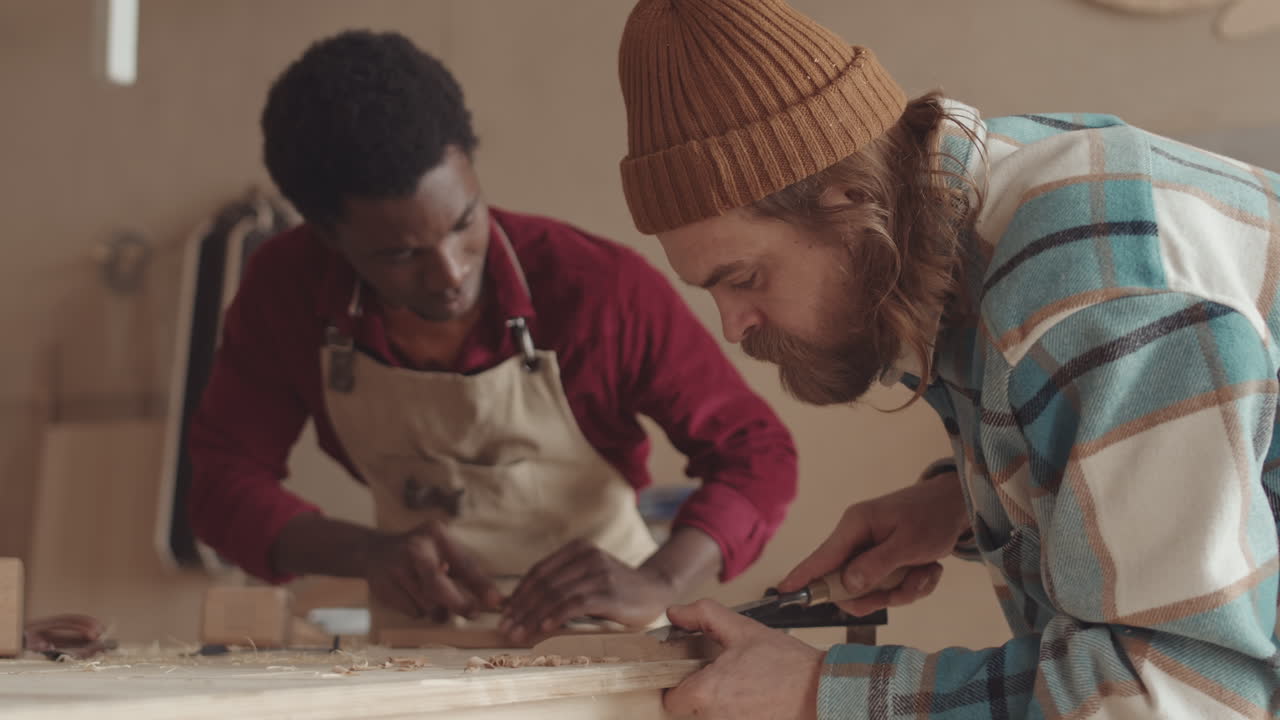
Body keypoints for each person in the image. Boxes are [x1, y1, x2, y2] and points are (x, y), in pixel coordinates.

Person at [615, 0, 1280, 717]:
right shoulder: (987, 209)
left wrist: (820, 691)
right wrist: (967, 499)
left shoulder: (1088, 299)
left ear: (850, 201)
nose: (732, 326)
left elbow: (1178, 700)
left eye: (743, 278)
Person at [186, 29, 797, 643]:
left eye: (464, 220)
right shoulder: (288, 289)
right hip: (413, 645)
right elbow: (220, 483)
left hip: (604, 637)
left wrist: (661, 580)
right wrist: (367, 553)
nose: (451, 272)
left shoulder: (595, 288)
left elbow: (758, 456)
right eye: (400, 254)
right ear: (330, 237)